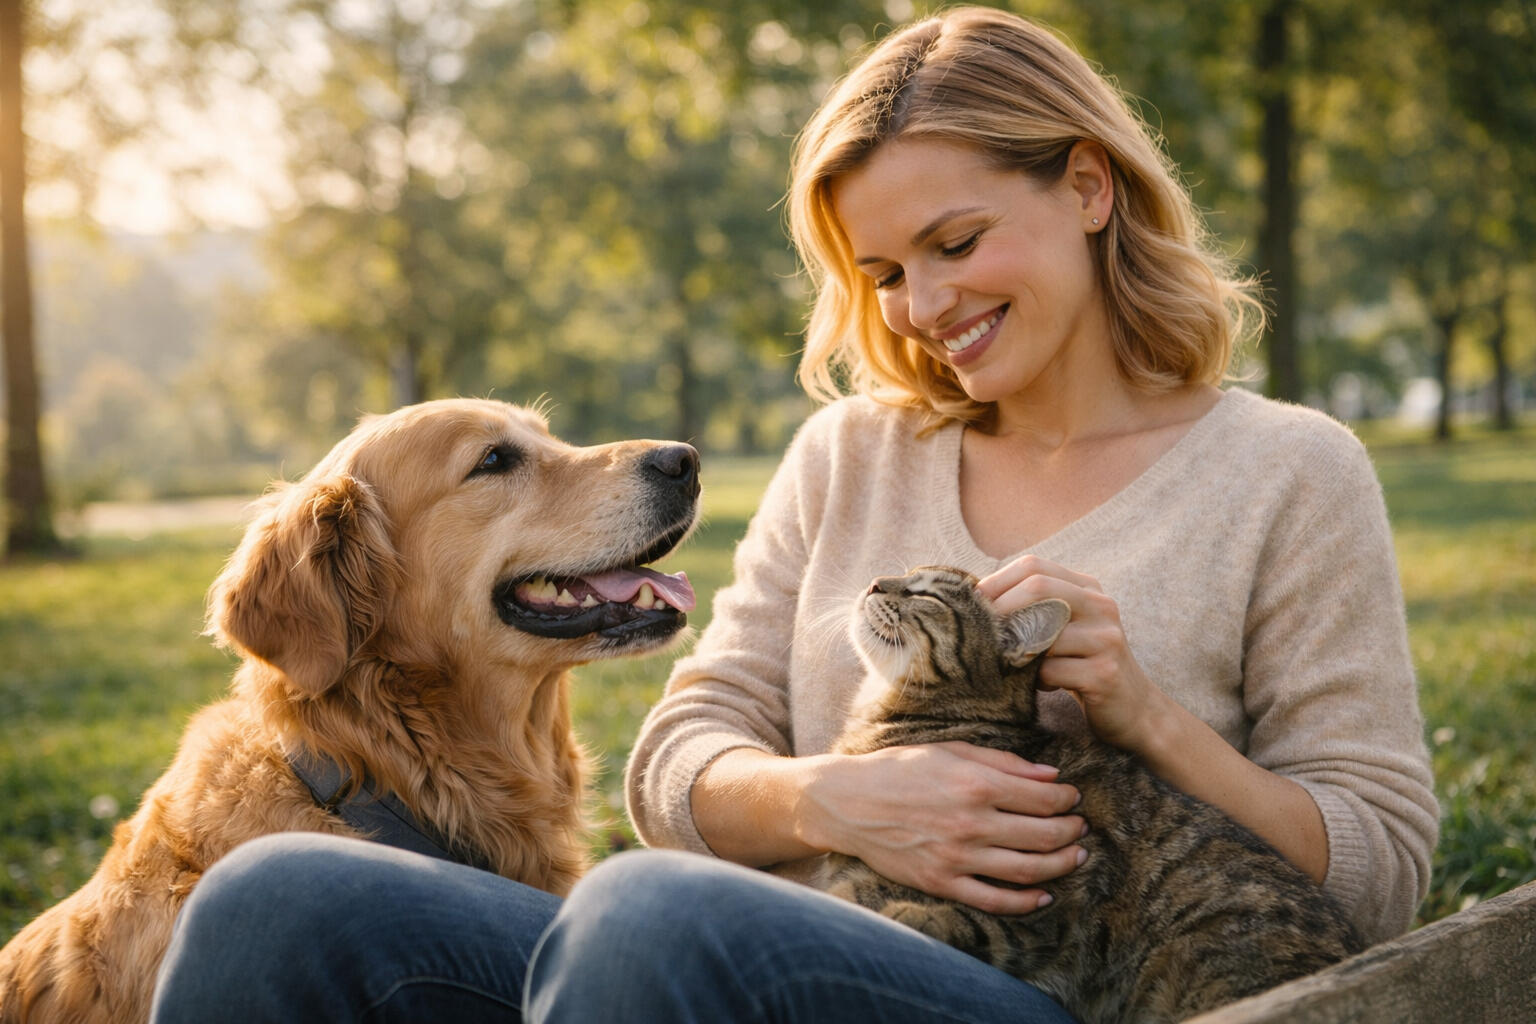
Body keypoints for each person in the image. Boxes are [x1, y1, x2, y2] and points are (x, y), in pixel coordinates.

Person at [151, 8, 1437, 1022]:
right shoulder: (852, 455)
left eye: (955, 240)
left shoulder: (1288, 471)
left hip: (1052, 987)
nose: (921, 305)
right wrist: (837, 803)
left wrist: (1150, 719)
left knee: (649, 915)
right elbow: (678, 759)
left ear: (1089, 187)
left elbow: (1380, 871)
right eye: (881, 272)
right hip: (718, 965)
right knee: (275, 896)